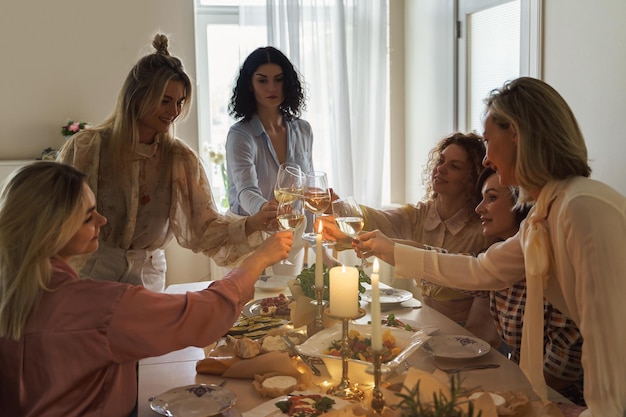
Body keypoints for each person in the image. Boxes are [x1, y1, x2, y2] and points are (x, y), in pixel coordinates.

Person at [357, 77, 626, 417]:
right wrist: (388, 249)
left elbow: (608, 342)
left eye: (487, 141)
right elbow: (482, 269)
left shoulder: (581, 207)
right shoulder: (547, 213)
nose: (485, 160)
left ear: (516, 134)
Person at [0, 161, 293, 417]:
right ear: (53, 230)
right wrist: (259, 260)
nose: (103, 220)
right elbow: (204, 313)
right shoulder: (100, 306)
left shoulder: (12, 297)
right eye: (89, 217)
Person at [57, 34, 275, 292]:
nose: (174, 111)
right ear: (137, 96)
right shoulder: (87, 148)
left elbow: (203, 228)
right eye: (165, 101)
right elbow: (56, 216)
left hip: (149, 276)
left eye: (180, 102)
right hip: (90, 271)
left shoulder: (180, 160)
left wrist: (253, 223)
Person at [322, 132, 494, 324]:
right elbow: (381, 220)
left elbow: (484, 307)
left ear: (472, 179)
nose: (441, 169)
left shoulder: (483, 228)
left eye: (454, 166)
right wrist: (339, 208)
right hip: (427, 324)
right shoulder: (421, 214)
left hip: (467, 334)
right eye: (441, 160)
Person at [465, 167, 584, 405]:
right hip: (526, 389)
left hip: (565, 401)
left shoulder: (549, 266)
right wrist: (392, 248)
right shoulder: (499, 258)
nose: (479, 208)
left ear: (522, 202)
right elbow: (459, 272)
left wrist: (506, 394)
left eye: (491, 198)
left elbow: (562, 370)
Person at [225, 46, 314, 271]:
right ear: (250, 85)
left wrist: (318, 247)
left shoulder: (303, 130)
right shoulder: (240, 135)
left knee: (288, 303)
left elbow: (308, 193)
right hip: (249, 240)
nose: (272, 87)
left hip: (290, 239)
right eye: (262, 81)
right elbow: (246, 191)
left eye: (278, 79)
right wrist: (266, 211)